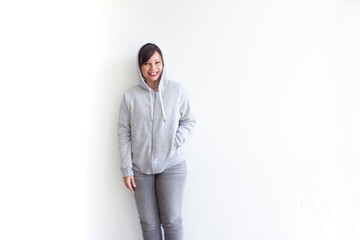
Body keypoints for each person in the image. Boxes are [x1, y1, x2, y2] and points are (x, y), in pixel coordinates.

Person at [117, 43, 196, 240]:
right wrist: (127, 170)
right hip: (141, 169)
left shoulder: (177, 91)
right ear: (140, 67)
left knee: (171, 221)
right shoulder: (130, 97)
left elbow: (189, 121)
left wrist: (176, 140)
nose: (153, 69)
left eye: (157, 62)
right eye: (147, 63)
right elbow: (123, 133)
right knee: (148, 223)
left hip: (172, 165)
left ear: (163, 63)